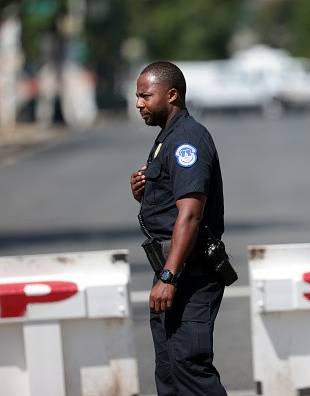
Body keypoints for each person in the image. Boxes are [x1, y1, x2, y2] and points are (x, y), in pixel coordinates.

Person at [129, 61, 227, 395]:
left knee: (189, 369)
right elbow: (171, 206)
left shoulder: (187, 140)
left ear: (171, 95)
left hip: (189, 273)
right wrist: (144, 192)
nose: (139, 103)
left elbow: (190, 215)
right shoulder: (166, 138)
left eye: (146, 95)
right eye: (138, 96)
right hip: (173, 269)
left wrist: (169, 277)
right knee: (170, 373)